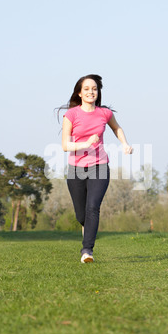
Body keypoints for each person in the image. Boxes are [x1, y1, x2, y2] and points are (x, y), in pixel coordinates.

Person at [60, 74, 133, 263]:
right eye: (87, 89)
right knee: (81, 215)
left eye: (94, 89)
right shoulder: (71, 115)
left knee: (93, 207)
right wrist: (85, 144)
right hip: (75, 168)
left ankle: (87, 251)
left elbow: (117, 128)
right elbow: (65, 145)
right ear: (80, 93)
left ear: (97, 92)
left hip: (99, 166)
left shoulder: (104, 113)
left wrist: (124, 144)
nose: (91, 92)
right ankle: (88, 230)